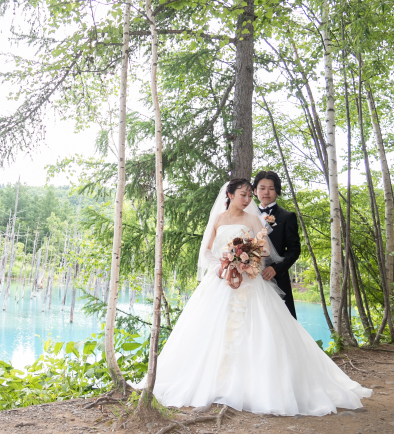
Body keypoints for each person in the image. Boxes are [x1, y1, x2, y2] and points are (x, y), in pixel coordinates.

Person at [132, 178, 371, 416]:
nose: (248, 200)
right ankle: (212, 382)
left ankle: (251, 386)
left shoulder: (253, 219)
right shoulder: (218, 219)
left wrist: (247, 253)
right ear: (230, 194)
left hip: (250, 282)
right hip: (220, 281)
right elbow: (206, 251)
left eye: (249, 195)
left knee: (259, 330)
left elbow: (265, 249)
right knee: (209, 329)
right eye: (243, 195)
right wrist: (222, 266)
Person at [253, 170, 301, 318]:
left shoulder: (287, 217)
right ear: (255, 191)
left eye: (271, 188)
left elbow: (294, 250)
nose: (266, 192)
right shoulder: (247, 216)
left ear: (277, 192)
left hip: (276, 278)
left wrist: (276, 268)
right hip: (251, 278)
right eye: (262, 188)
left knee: (280, 322)